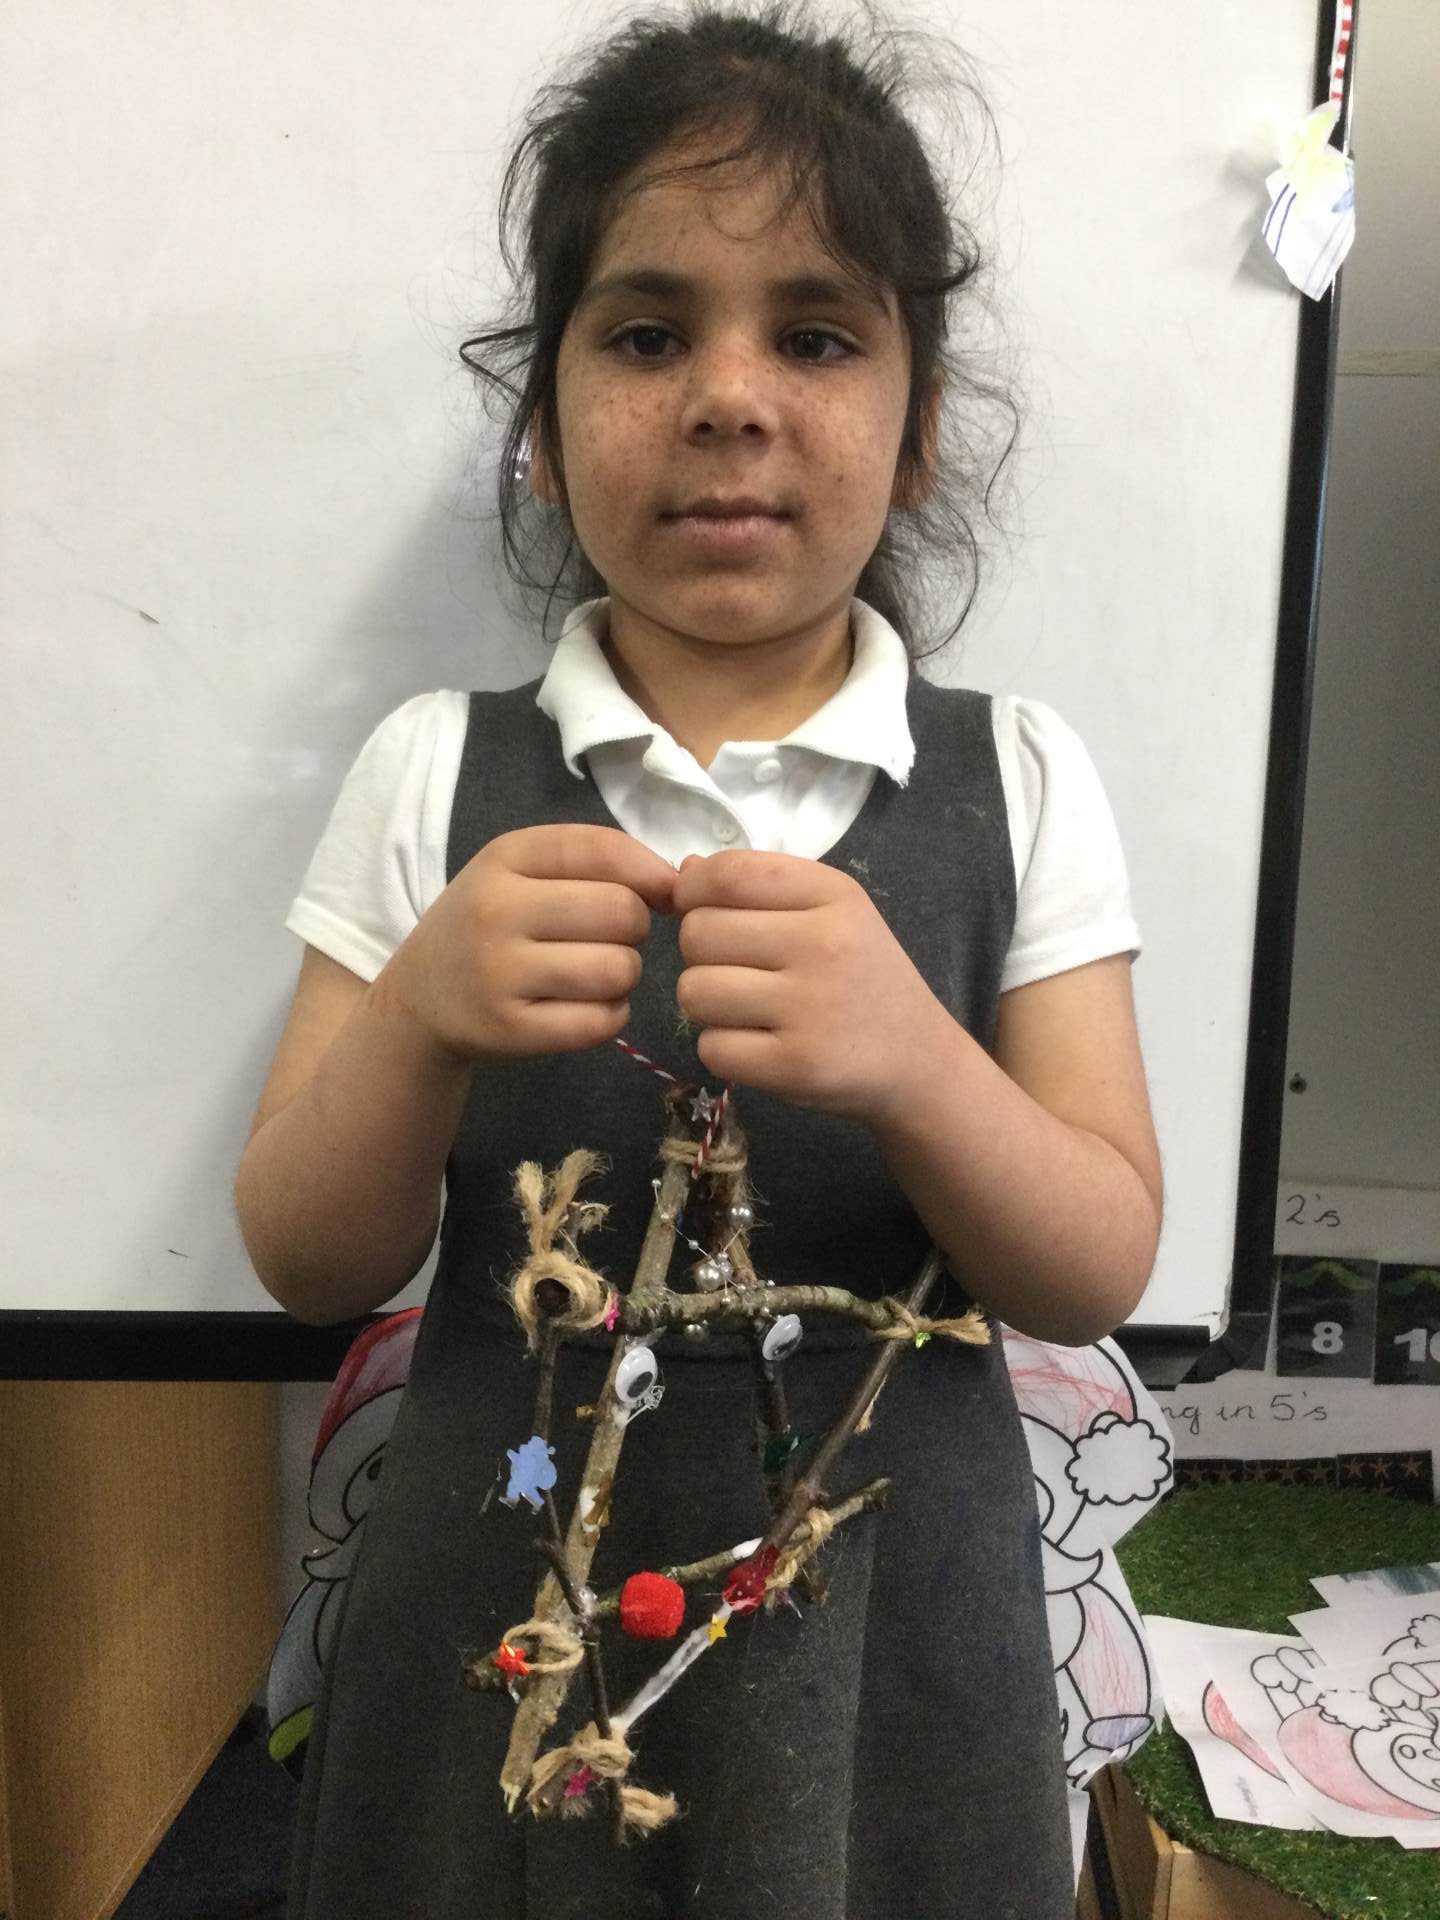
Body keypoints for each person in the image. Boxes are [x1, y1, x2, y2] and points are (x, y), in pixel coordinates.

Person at [233, 3, 1164, 1914]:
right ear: (540, 424)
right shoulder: (433, 770)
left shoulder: (1018, 777)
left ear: (919, 428)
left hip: (897, 1659)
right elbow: (309, 1261)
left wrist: (918, 1061)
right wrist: (418, 1020)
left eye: (816, 336)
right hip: (498, 1638)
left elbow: (1093, 1266)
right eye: (648, 334)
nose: (731, 396)